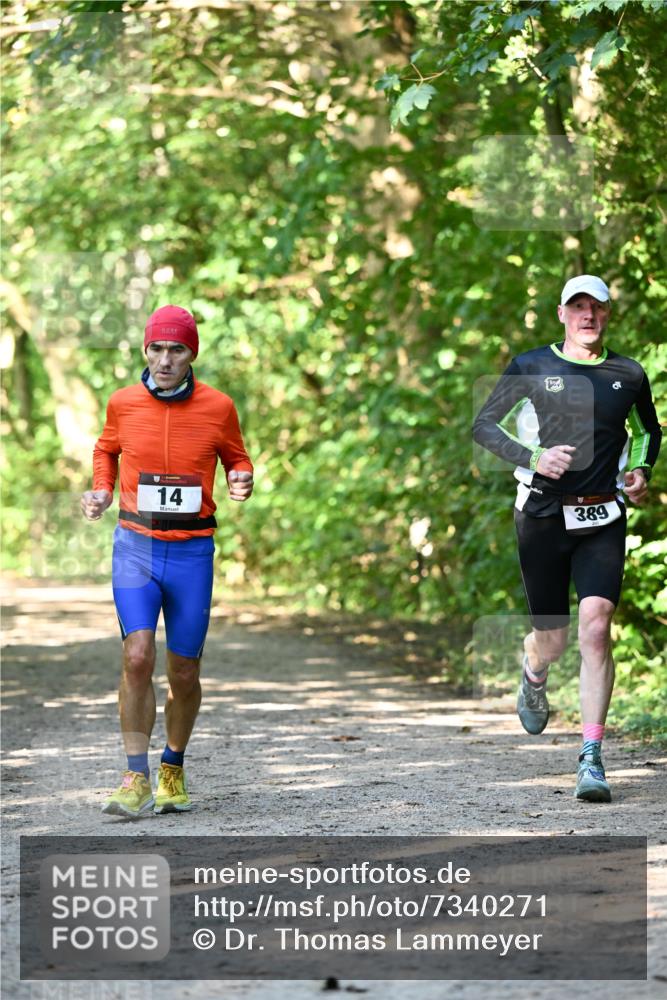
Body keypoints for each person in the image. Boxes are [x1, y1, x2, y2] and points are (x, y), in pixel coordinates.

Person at [473, 275, 661, 802]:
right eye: (578, 307)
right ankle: (534, 668)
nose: (588, 316)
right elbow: (485, 425)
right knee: (553, 638)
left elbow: (648, 431)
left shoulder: (628, 373)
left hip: (602, 515)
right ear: (562, 314)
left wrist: (641, 470)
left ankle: (592, 758)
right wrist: (534, 458)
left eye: (596, 308)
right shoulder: (532, 365)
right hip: (542, 515)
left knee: (597, 627)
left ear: (607, 314)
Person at [81, 305, 253, 818]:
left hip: (192, 552)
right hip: (136, 546)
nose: (165, 359)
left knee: (183, 670)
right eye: (156, 348)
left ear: (191, 354)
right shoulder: (123, 403)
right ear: (144, 351)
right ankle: (135, 774)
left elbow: (236, 457)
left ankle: (172, 769)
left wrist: (242, 478)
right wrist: (102, 491)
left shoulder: (219, 407)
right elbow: (104, 449)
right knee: (136, 656)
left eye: (176, 349)